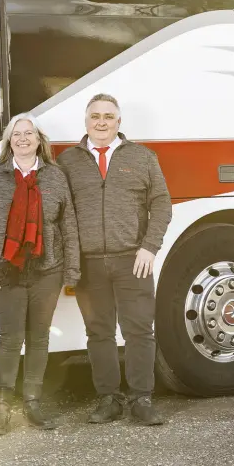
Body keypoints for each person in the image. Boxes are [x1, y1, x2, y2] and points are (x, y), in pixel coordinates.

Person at [57, 93, 172, 425]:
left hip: (132, 260)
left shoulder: (142, 157)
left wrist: (149, 247)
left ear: (119, 122)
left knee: (139, 331)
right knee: (99, 332)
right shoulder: (68, 162)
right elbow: (60, 213)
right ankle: (108, 399)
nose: (101, 122)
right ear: (86, 122)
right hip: (89, 263)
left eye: (108, 116)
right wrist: (69, 260)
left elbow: (162, 204)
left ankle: (141, 399)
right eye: (95, 116)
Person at [0, 113, 80, 434]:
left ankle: (32, 403)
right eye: (16, 134)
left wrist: (71, 270)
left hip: (48, 271)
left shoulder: (56, 177)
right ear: (9, 141)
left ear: (39, 140)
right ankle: (2, 409)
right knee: (10, 338)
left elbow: (68, 225)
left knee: (38, 338)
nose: (22, 138)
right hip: (6, 272)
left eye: (28, 133)